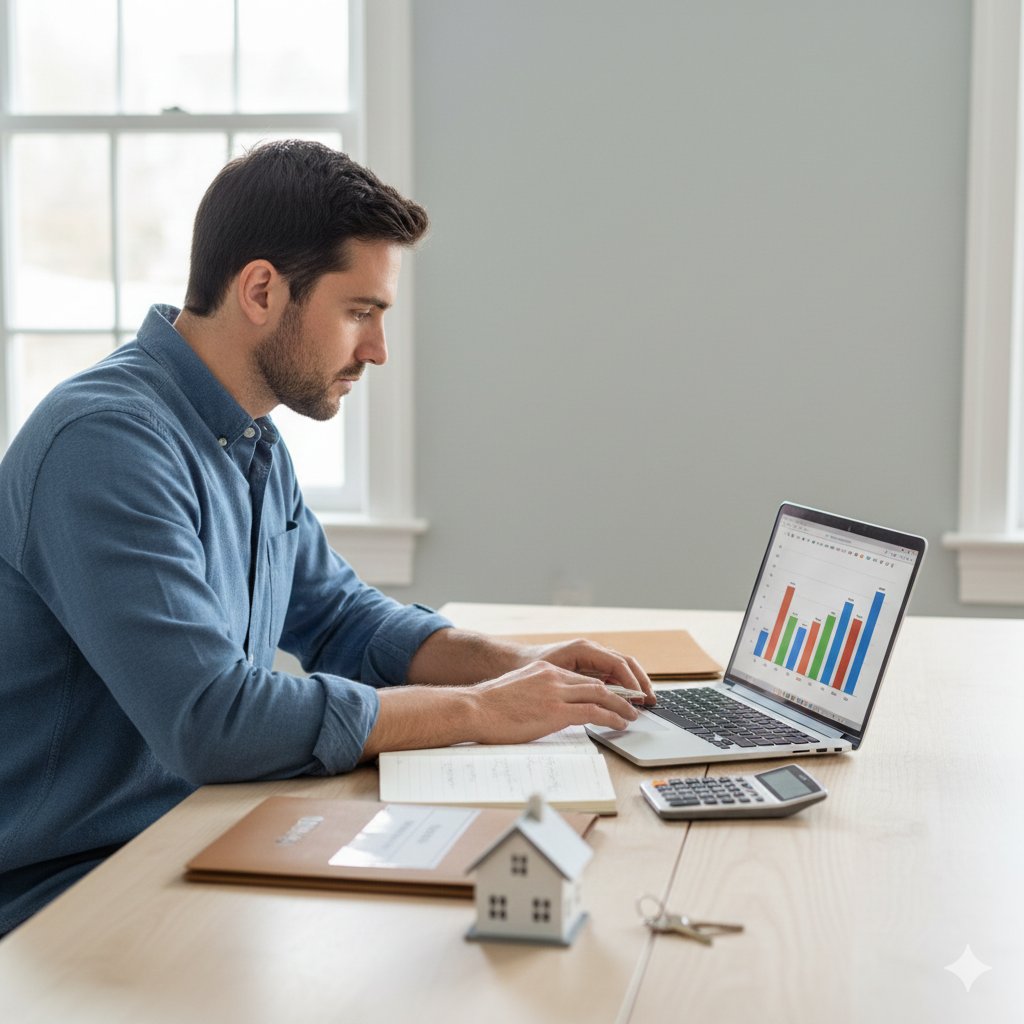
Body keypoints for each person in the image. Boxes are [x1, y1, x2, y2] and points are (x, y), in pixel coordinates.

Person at [0, 141, 652, 936]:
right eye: (360, 312)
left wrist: (519, 668)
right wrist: (477, 710)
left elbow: (342, 618)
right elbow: (213, 720)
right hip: (68, 893)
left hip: (197, 836)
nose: (376, 350)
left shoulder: (246, 439)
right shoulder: (105, 443)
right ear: (263, 290)